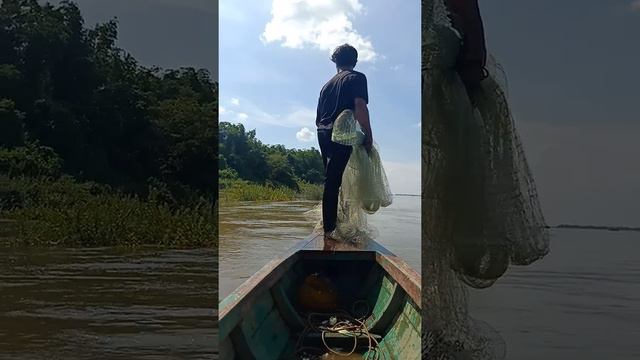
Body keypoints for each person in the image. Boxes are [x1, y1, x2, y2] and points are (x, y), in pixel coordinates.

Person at [315, 44, 373, 240]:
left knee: (332, 179)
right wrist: (368, 133)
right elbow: (359, 106)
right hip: (341, 133)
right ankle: (331, 229)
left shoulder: (326, 86)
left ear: (335, 62)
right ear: (354, 61)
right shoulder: (357, 77)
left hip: (322, 132)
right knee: (335, 180)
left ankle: (331, 225)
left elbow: (319, 116)